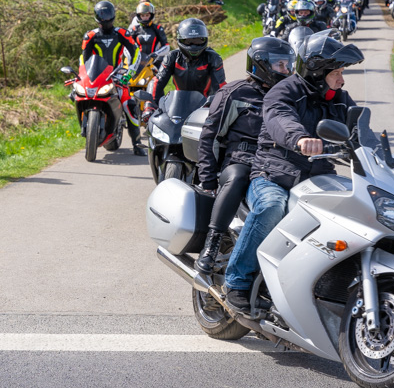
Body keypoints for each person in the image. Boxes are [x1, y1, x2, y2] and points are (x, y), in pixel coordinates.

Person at [222, 34, 364, 311]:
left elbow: (360, 129)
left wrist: (378, 151)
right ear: (318, 72)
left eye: (342, 72)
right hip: (272, 176)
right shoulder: (284, 91)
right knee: (272, 207)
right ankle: (237, 282)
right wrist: (300, 138)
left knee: (354, 212)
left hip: (317, 179)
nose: (342, 80)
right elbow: (279, 118)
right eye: (336, 73)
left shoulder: (339, 99)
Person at [193, 37, 296, 274]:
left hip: (276, 163)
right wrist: (207, 178)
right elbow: (210, 136)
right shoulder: (236, 93)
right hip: (241, 159)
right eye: (280, 65)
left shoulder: (289, 97)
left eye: (288, 65)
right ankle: (212, 245)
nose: (286, 70)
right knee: (238, 177)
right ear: (261, 65)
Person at [81, 1, 146, 156]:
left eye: (107, 15)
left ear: (113, 15)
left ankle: (137, 143)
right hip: (97, 77)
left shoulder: (122, 33)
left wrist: (129, 73)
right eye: (101, 15)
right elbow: (83, 59)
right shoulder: (90, 36)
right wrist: (82, 76)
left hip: (117, 77)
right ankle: (87, 128)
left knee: (129, 105)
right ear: (96, 17)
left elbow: (135, 52)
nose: (105, 19)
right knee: (77, 95)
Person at [151, 18, 226, 107]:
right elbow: (158, 81)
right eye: (188, 41)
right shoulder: (172, 57)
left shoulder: (213, 58)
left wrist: (220, 106)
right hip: (177, 106)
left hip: (206, 107)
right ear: (180, 39)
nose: (193, 45)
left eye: (198, 41)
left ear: (205, 39)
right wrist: (150, 105)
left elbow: (220, 87)